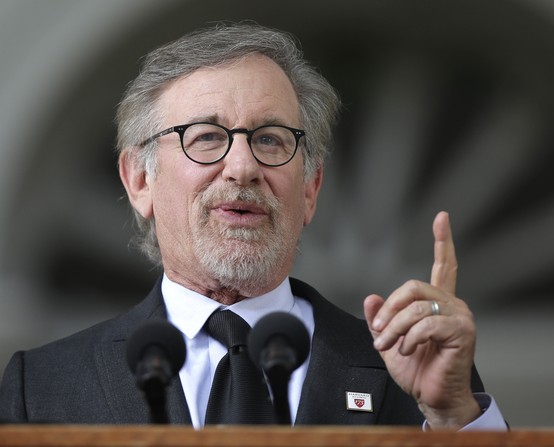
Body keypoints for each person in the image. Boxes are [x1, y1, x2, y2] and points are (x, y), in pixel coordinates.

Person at [0, 23, 506, 430]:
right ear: (139, 180)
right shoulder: (41, 386)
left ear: (310, 189)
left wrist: (453, 416)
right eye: (205, 137)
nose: (242, 167)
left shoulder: (412, 374)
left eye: (269, 139)